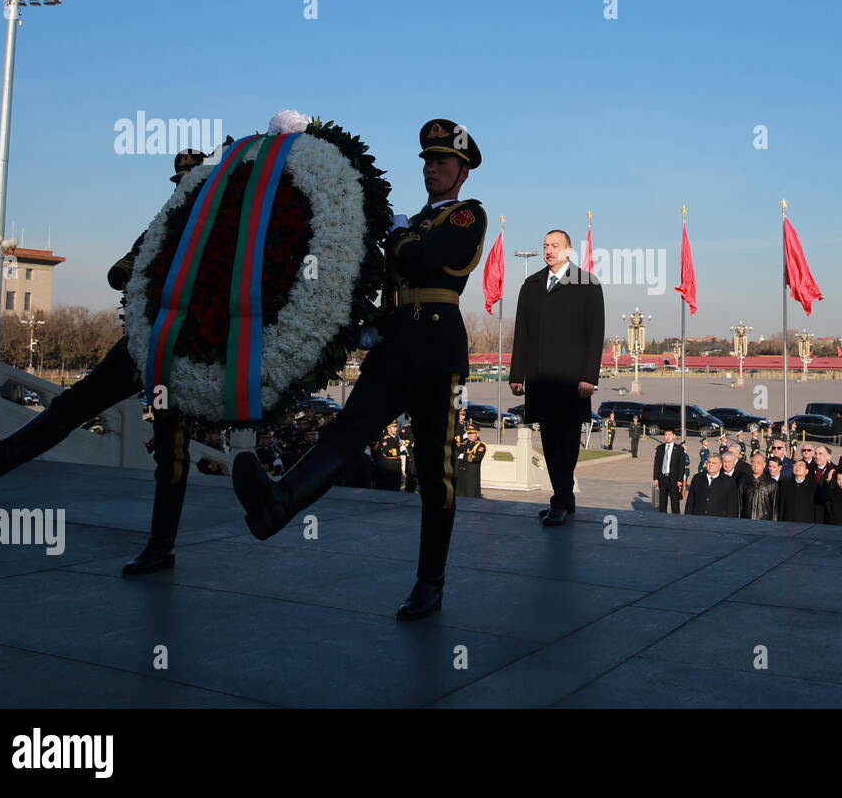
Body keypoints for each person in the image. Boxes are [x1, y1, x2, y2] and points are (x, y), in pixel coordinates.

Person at [232, 118, 486, 621]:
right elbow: (394, 276)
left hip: (436, 348)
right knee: (344, 432)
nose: (433, 168)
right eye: (428, 161)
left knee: (436, 473)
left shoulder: (465, 216)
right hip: (396, 345)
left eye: (442, 161)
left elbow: (426, 259)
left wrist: (396, 239)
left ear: (462, 171)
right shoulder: (411, 222)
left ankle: (429, 582)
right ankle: (278, 504)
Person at [0, 150, 207, 576]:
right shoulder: (165, 226)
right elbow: (120, 271)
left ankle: (160, 544)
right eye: (179, 182)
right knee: (75, 405)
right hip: (146, 339)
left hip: (190, 350)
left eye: (187, 181)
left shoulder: (224, 238)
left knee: (172, 449)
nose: (181, 188)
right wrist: (143, 265)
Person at [508, 229, 605, 526]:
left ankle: (560, 500)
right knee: (550, 442)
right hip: (540, 379)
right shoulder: (531, 284)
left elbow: (595, 333)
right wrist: (517, 373)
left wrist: (589, 376)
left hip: (572, 380)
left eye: (555, 245)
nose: (549, 250)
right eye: (545, 245)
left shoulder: (587, 284)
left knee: (567, 441)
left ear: (568, 250)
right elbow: (521, 332)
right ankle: (564, 499)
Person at [652, 428, 686, 514]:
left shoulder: (679, 449)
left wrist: (680, 479)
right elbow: (657, 464)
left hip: (674, 479)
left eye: (669, 435)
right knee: (662, 502)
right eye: (666, 435)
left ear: (674, 436)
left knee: (675, 503)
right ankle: (662, 519)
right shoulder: (660, 448)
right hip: (662, 478)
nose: (667, 437)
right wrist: (655, 478)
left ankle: (675, 519)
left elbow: (681, 466)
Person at [744, 452, 779, 520]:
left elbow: (775, 508)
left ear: (764, 465)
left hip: (764, 520)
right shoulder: (743, 481)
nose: (755, 465)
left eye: (758, 463)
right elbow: (740, 504)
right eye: (753, 463)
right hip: (746, 520)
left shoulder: (772, 483)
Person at [455, 424, 486, 498]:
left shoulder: (480, 445)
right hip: (462, 474)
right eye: (469, 433)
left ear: (477, 434)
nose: (470, 435)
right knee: (460, 495)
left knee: (470, 496)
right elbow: (457, 446)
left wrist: (464, 456)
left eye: (472, 433)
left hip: (471, 476)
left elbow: (477, 458)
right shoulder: (466, 443)